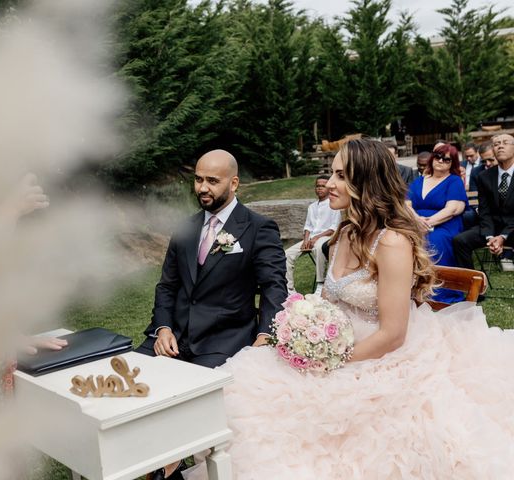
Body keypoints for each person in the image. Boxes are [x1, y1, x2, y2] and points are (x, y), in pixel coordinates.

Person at [183, 138, 514, 480]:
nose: (330, 183)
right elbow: (329, 302)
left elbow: (393, 334)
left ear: (365, 183)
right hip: (335, 346)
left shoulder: (391, 242)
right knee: (246, 391)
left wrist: (331, 362)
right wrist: (302, 329)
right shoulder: (343, 235)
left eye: (341, 175)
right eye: (332, 173)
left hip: (383, 358)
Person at [138, 149, 287, 480]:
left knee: (184, 399)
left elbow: (276, 289)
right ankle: (157, 464)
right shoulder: (185, 227)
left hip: (223, 340)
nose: (202, 188)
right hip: (172, 337)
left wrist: (265, 336)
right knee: (132, 387)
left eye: (212, 181)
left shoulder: (258, 229)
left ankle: (165, 468)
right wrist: (163, 328)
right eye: (198, 179)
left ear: (234, 183)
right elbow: (166, 287)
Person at [407, 145, 467, 303]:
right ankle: (410, 288)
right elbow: (406, 204)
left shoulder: (454, 181)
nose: (441, 161)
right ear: (432, 158)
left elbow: (453, 208)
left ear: (452, 163)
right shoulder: (419, 181)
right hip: (415, 222)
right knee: (401, 239)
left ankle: (439, 292)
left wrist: (428, 223)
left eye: (446, 159)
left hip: (444, 224)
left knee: (435, 240)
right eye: (438, 156)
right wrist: (417, 220)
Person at [453, 134, 514, 270]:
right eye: (496, 144)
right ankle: (477, 287)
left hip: (512, 228)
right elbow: (484, 211)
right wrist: (490, 237)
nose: (500, 146)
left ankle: (508, 259)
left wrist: (503, 237)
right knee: (460, 241)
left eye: (505, 143)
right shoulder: (484, 177)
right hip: (492, 227)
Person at [285, 175, 340, 295]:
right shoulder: (312, 207)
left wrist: (316, 238)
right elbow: (308, 227)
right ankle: (289, 288)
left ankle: (320, 283)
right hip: (310, 239)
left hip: (326, 237)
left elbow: (333, 228)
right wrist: (306, 240)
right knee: (287, 254)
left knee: (319, 248)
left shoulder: (333, 205)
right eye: (317, 186)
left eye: (323, 186)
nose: (320, 188)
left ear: (329, 188)